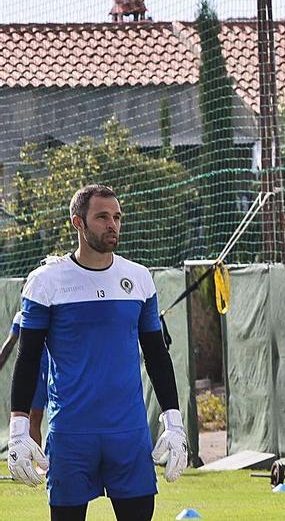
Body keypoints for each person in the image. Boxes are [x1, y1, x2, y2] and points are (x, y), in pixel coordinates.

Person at [9, 184, 188, 521]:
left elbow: (157, 355)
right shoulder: (46, 281)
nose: (112, 225)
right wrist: (18, 431)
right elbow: (28, 357)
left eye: (117, 217)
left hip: (129, 434)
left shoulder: (139, 278)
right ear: (78, 222)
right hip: (71, 435)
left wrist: (174, 424)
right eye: (102, 217)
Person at [9, 312, 48, 448]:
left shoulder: (56, 312)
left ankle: (59, 459)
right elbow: (9, 344)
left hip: (58, 373)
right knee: (35, 417)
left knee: (62, 416)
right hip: (35, 375)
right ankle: (39, 463)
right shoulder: (21, 317)